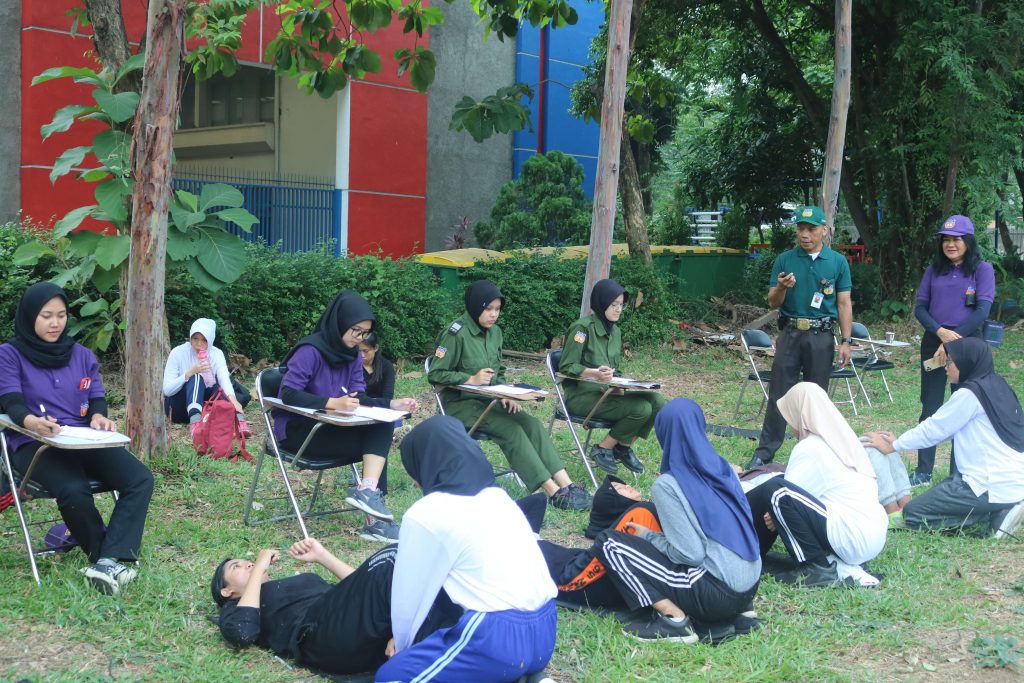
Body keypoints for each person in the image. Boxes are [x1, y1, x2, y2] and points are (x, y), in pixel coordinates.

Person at [0, 282, 154, 595]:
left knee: (139, 478)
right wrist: (32, 422)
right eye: (46, 316)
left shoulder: (81, 355)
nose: (55, 323)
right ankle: (103, 558)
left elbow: (95, 397)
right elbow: (11, 402)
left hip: (81, 440)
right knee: (73, 488)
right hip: (34, 443)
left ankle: (107, 560)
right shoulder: (9, 354)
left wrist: (98, 417)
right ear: (29, 316)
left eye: (61, 315)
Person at [380, 415, 557, 682]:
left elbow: (409, 598)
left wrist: (403, 646)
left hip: (495, 635)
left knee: (391, 676)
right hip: (545, 631)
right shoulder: (499, 497)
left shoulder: (427, 512)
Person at [591, 398, 761, 642]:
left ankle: (675, 621)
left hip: (717, 593)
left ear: (664, 433)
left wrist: (648, 537)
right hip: (750, 586)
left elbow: (690, 554)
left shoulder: (668, 485)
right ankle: (742, 617)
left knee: (609, 543)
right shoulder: (724, 468)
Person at [428, 279, 591, 511]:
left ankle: (567, 485)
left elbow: (498, 371)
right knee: (511, 429)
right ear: (475, 306)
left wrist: (504, 393)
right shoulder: (456, 333)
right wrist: (469, 379)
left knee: (532, 424)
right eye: (488, 309)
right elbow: (435, 374)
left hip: (490, 400)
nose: (494, 314)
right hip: (460, 405)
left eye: (497, 309)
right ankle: (554, 492)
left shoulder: (495, 333)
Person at [273, 290, 418, 542]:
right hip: (300, 433)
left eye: (364, 333)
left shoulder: (351, 355)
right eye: (356, 331)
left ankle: (368, 493)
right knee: (375, 446)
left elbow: (358, 396)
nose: (359, 338)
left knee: (381, 426)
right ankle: (375, 522)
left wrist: (391, 404)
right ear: (339, 323)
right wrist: (332, 403)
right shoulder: (310, 350)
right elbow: (288, 393)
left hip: (331, 428)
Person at [211, 538, 460, 677]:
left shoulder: (284, 585)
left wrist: (322, 556)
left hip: (348, 627)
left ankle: (430, 641)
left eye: (248, 562)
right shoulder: (234, 610)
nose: (248, 564)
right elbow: (243, 633)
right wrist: (259, 565)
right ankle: (416, 636)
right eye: (237, 567)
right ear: (226, 591)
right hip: (319, 636)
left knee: (426, 579)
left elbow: (364, 588)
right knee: (393, 557)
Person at [863, 338, 1024, 538]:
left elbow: (935, 429)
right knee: (947, 488)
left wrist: (894, 445)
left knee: (912, 513)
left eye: (950, 362)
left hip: (986, 484)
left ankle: (994, 513)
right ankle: (1001, 509)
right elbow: (943, 429)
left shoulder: (970, 394)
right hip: (1013, 480)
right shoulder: (998, 386)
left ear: (966, 362)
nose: (945, 367)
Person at [746, 383, 887, 587]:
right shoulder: (843, 441)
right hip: (870, 537)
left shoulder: (811, 447)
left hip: (852, 537)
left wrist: (771, 511)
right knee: (776, 488)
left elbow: (781, 500)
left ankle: (815, 568)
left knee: (774, 489)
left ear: (800, 415)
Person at [746, 205, 853, 470]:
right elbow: (773, 301)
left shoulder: (837, 262)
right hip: (790, 333)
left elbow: (844, 303)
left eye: (811, 229)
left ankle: (816, 453)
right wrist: (781, 288)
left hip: (821, 335)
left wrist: (846, 341)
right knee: (779, 393)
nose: (805, 234)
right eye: (800, 229)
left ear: (824, 230)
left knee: (817, 397)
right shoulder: (785, 260)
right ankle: (765, 452)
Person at [910, 215, 996, 485]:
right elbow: (920, 308)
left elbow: (982, 311)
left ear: (968, 241)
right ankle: (923, 472)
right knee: (930, 405)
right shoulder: (934, 269)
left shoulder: (982, 269)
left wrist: (951, 342)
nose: (950, 244)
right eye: (946, 239)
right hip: (934, 340)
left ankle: (958, 474)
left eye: (956, 239)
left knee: (964, 407)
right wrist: (940, 332)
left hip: (967, 345)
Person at [559, 278, 667, 475]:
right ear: (601, 303)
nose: (618, 309)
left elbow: (614, 370)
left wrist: (619, 385)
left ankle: (622, 446)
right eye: (613, 304)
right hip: (582, 396)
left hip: (607, 392)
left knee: (658, 402)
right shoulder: (582, 329)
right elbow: (566, 366)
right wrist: (593, 373)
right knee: (641, 408)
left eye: (621, 305)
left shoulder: (615, 331)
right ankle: (603, 448)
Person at [162, 317, 250, 436]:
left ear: (210, 340)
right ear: (190, 338)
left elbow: (224, 379)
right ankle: (195, 424)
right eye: (195, 339)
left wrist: (234, 401)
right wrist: (189, 373)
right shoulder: (178, 352)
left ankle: (238, 420)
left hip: (204, 408)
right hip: (177, 408)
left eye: (204, 340)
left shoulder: (216, 354)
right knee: (197, 378)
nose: (199, 344)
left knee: (218, 387)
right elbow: (167, 390)